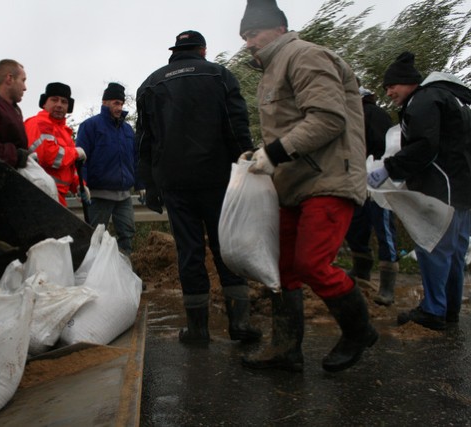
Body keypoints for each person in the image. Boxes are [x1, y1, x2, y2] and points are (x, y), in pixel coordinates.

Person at [238, 0, 377, 373]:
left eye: (253, 33)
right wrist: (263, 154)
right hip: (293, 183)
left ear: (279, 30)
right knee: (283, 269)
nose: (248, 42)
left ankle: (358, 330)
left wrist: (277, 151)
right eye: (244, 36)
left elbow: (329, 119)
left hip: (328, 178)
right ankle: (285, 349)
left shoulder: (305, 56)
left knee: (312, 263)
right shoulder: (271, 70)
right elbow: (288, 126)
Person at [136, 30, 261, 346]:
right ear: (203, 50)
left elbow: (144, 141)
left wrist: (150, 185)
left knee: (189, 251)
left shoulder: (150, 84)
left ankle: (198, 330)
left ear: (174, 52)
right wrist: (246, 164)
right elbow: (237, 125)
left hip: (175, 183)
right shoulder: (219, 74)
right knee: (227, 247)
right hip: (218, 179)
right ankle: (240, 325)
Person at [367, 51, 471, 330]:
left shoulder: (424, 100)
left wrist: (390, 167)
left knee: (432, 245)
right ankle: (448, 311)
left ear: (408, 82)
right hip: (462, 189)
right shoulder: (454, 99)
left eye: (392, 86)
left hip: (440, 190)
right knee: (454, 253)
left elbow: (424, 145)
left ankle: (433, 310)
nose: (389, 92)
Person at [345, 85, 400, 306]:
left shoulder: (374, 114)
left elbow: (384, 147)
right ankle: (361, 273)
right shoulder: (352, 116)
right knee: (355, 224)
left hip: (379, 179)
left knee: (384, 228)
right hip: (358, 179)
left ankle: (387, 285)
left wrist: (379, 168)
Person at [76, 83, 141, 257]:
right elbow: (81, 158)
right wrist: (82, 184)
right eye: (115, 103)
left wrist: (141, 184)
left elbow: (135, 159)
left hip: (124, 195)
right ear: (104, 102)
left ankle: (124, 274)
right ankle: (94, 276)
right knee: (95, 238)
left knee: (127, 234)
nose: (119, 107)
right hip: (98, 195)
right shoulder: (90, 126)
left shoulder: (127, 130)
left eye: (121, 103)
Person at [24, 82, 87, 206]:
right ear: (44, 103)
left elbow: (69, 167)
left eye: (64, 102)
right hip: (40, 194)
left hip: (54, 196)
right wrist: (75, 152)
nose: (59, 105)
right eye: (54, 100)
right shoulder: (39, 123)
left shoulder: (63, 131)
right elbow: (50, 157)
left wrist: (79, 185)